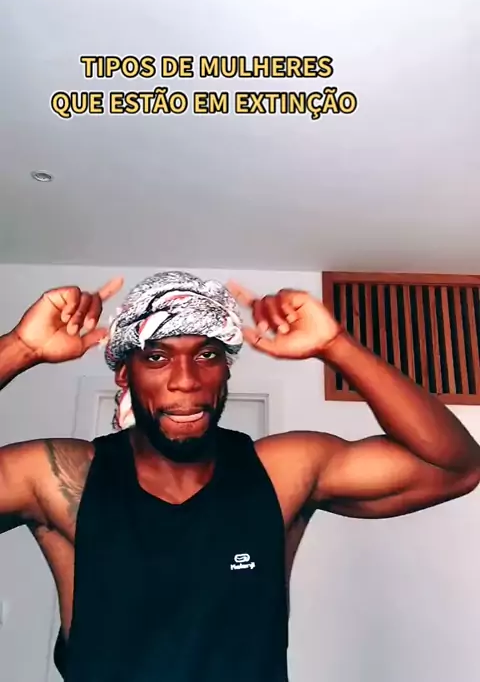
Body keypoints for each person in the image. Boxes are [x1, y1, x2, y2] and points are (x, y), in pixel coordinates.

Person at [0, 270, 479, 682]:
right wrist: (21, 348)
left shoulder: (282, 471)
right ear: (125, 375)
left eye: (206, 355)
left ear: (227, 371)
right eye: (157, 357)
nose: (185, 380)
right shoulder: (61, 477)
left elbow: (455, 467)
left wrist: (337, 346)